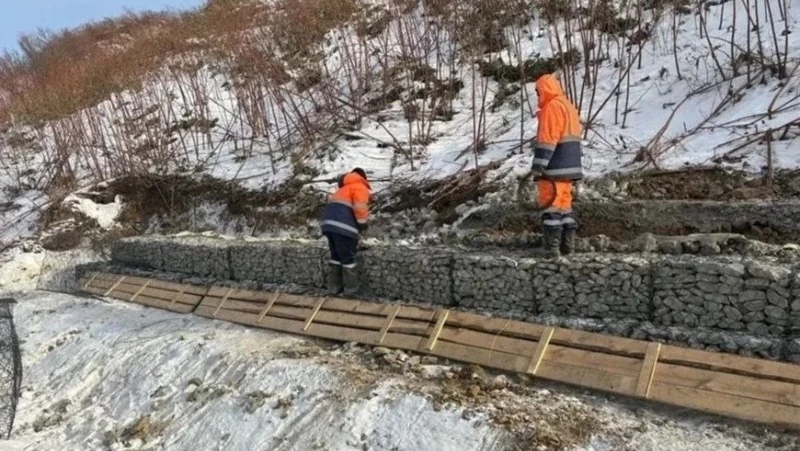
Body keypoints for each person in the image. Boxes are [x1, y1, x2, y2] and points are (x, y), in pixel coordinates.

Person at [530, 73, 583, 257]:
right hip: (570, 167)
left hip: (555, 166)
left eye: (538, 92)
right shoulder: (568, 106)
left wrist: (539, 164)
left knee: (550, 204)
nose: (538, 96)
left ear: (543, 90)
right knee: (564, 206)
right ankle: (568, 246)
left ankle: (552, 248)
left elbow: (548, 139)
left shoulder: (552, 107)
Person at [320, 168, 371, 296]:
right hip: (343, 227)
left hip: (329, 226)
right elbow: (360, 206)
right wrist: (362, 224)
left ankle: (334, 289)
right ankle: (351, 291)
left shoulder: (341, 190)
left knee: (336, 257)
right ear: (363, 178)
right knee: (348, 259)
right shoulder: (359, 187)